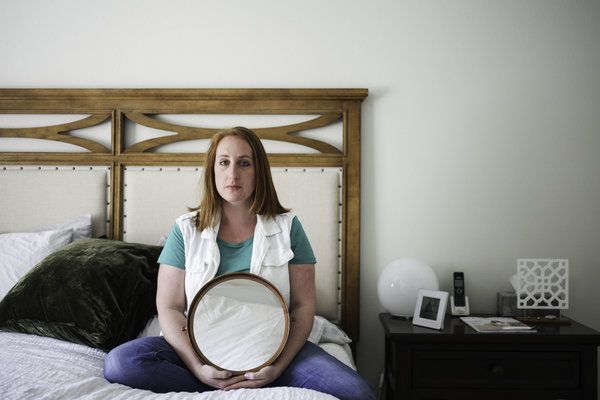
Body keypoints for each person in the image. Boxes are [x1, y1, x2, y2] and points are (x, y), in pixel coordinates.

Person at [103, 127, 375, 400]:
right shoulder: (184, 230)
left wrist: (277, 368)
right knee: (120, 363)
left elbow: (303, 305)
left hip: (274, 350)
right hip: (200, 350)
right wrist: (198, 369)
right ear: (212, 171)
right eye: (224, 162)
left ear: (259, 172)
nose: (232, 174)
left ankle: (254, 383)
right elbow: (169, 306)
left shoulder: (289, 228)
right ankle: (219, 386)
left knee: (357, 393)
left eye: (244, 163)